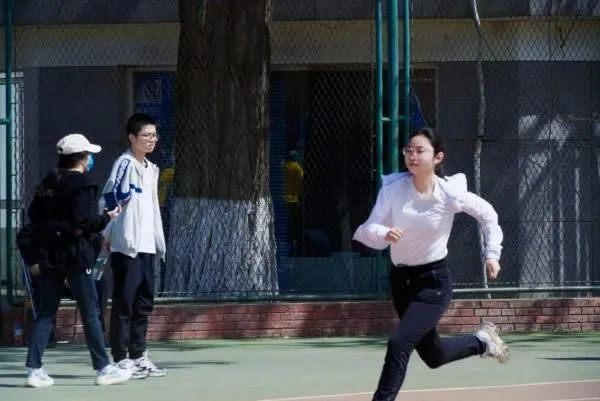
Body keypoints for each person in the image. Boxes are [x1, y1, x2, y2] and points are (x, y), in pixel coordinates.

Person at [353, 127, 509, 401]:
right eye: (408, 150)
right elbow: (368, 228)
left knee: (399, 342)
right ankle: (482, 342)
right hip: (401, 282)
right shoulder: (393, 189)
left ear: (438, 157)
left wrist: (492, 254)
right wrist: (384, 233)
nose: (412, 156)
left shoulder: (449, 193)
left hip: (433, 283)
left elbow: (488, 215)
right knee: (434, 356)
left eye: (419, 150)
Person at [23, 133, 132, 387]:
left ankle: (34, 369)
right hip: (75, 255)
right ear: (82, 158)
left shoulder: (49, 182)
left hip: (50, 254)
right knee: (90, 311)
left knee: (46, 312)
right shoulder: (83, 184)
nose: (90, 159)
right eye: (88, 155)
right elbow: (83, 220)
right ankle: (104, 368)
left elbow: (34, 214)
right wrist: (106, 217)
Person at [100, 113, 166, 379]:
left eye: (154, 135)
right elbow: (109, 196)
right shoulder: (124, 163)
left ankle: (139, 355)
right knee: (124, 303)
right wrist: (107, 232)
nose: (152, 140)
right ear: (132, 138)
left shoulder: (151, 168)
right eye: (146, 135)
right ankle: (121, 358)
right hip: (127, 246)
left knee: (143, 303)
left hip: (147, 246)